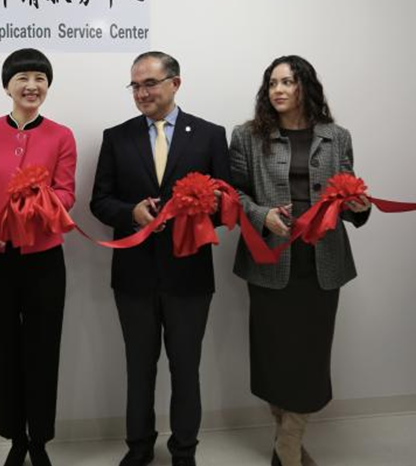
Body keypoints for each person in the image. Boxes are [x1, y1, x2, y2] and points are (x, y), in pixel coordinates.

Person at [90, 51, 230, 466]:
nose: (141, 93)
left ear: (175, 83)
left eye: (149, 83)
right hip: (133, 276)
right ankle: (139, 447)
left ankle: (184, 450)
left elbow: (228, 205)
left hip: (189, 276)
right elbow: (100, 201)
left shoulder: (209, 135)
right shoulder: (117, 137)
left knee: (186, 369)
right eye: (134, 86)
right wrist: (130, 213)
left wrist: (196, 212)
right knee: (139, 368)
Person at [229, 55, 370, 466]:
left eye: (288, 81)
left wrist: (358, 206)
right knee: (274, 353)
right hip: (270, 258)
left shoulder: (336, 136)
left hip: (322, 261)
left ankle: (288, 442)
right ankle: (286, 440)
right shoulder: (247, 136)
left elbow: (346, 196)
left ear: (305, 86)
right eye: (272, 83)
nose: (278, 90)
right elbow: (233, 194)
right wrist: (262, 216)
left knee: (311, 354)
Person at [0, 48, 76, 466]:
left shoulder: (61, 136)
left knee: (43, 350)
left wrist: (39, 204)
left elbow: (66, 194)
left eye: (40, 78)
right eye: (23, 77)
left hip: (44, 260)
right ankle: (15, 438)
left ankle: (39, 439)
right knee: (2, 349)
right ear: (7, 85)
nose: (32, 86)